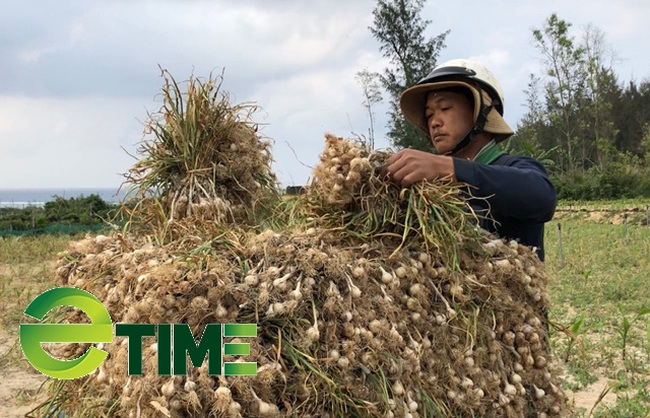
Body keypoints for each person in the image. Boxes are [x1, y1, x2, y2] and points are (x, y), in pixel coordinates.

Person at [385, 59, 556, 260]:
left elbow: (542, 198)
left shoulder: (515, 168)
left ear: (480, 111)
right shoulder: (429, 189)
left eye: (445, 108)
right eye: (429, 114)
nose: (434, 122)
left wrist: (448, 168)